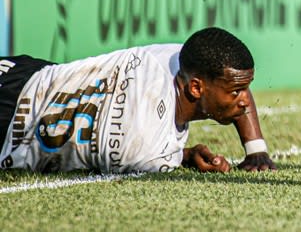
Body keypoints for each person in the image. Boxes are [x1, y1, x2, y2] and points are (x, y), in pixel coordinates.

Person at [0, 26, 276, 174]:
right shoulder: (145, 149)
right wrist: (183, 156)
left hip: (27, 73)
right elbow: (148, 150)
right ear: (195, 87)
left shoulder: (176, 58)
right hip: (11, 127)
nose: (244, 102)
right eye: (235, 93)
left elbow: (232, 75)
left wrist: (256, 150)